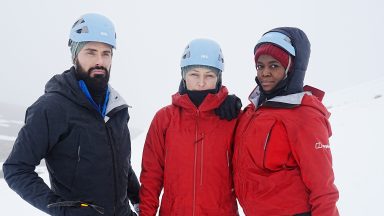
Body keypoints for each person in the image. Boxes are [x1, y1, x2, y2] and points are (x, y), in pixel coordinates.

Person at [2, 13, 140, 216]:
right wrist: (62, 209)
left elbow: (120, 164)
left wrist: (138, 198)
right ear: (75, 54)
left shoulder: (117, 109)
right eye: (90, 52)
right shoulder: (51, 107)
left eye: (106, 53)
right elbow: (16, 168)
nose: (99, 61)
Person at [232, 27, 339, 215]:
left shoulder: (304, 115)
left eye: (274, 65)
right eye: (260, 66)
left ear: (292, 68)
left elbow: (323, 187)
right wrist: (224, 102)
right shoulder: (251, 112)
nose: (265, 72)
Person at [139, 38, 241, 215]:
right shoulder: (164, 119)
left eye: (209, 75)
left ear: (218, 78)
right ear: (184, 75)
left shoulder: (232, 119)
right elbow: (151, 177)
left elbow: (248, 176)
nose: (201, 83)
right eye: (194, 74)